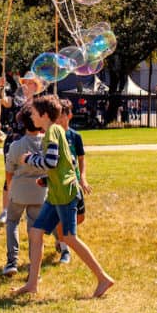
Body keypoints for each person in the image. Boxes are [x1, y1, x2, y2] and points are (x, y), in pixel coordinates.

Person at [12, 95, 114, 299]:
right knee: (36, 232)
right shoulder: (56, 131)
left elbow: (51, 162)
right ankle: (32, 284)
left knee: (69, 237)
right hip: (56, 193)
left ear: (43, 115)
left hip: (65, 194)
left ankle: (103, 278)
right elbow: (66, 164)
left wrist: (28, 159)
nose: (31, 116)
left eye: (33, 113)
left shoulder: (52, 132)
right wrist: (48, 180)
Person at [1, 104, 46, 277]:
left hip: (19, 191)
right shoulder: (46, 143)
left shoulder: (16, 145)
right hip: (40, 192)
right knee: (35, 230)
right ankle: (35, 270)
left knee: (12, 222)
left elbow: (9, 171)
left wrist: (10, 188)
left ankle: (12, 262)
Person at [0, 72, 45, 222]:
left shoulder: (39, 104)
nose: (27, 86)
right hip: (14, 140)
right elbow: (4, 101)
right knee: (9, 175)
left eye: (31, 83)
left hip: (34, 141)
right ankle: (5, 210)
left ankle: (33, 208)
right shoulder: (16, 100)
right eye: (25, 83)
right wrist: (1, 88)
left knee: (33, 174)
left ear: (36, 87)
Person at [53, 98, 92, 264]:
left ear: (70, 115)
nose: (59, 118)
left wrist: (82, 178)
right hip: (60, 183)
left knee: (80, 217)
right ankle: (65, 248)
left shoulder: (75, 136)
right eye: (57, 115)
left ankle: (61, 236)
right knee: (64, 218)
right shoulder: (53, 135)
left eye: (62, 115)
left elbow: (81, 158)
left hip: (74, 182)